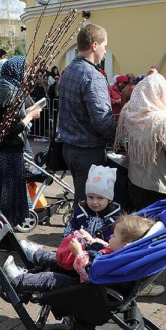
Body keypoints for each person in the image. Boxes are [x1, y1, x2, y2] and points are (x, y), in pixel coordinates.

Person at [3, 213, 155, 294]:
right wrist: (91, 240)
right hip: (86, 278)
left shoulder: (117, 261)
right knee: (56, 259)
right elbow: (106, 247)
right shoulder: (122, 253)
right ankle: (35, 253)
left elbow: (89, 273)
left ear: (125, 245)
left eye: (114, 235)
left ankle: (18, 279)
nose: (110, 237)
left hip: (88, 288)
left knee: (51, 278)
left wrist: (79, 253)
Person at [58, 23, 117, 204]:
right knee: (89, 205)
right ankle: (78, 223)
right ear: (94, 46)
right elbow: (102, 121)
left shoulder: (69, 69)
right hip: (87, 151)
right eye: (104, 46)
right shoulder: (92, 75)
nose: (105, 51)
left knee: (83, 199)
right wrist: (119, 137)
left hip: (70, 148)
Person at [115, 71, 166, 211]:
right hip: (158, 185)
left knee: (140, 219)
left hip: (134, 181)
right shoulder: (163, 121)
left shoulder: (129, 113)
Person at [0, 56, 42, 229]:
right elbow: (9, 129)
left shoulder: (5, 88)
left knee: (9, 194)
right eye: (25, 72)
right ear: (16, 71)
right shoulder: (9, 93)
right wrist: (30, 116)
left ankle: (7, 229)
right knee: (10, 196)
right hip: (10, 151)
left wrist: (26, 111)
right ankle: (7, 232)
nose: (27, 76)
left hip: (7, 150)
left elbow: (8, 120)